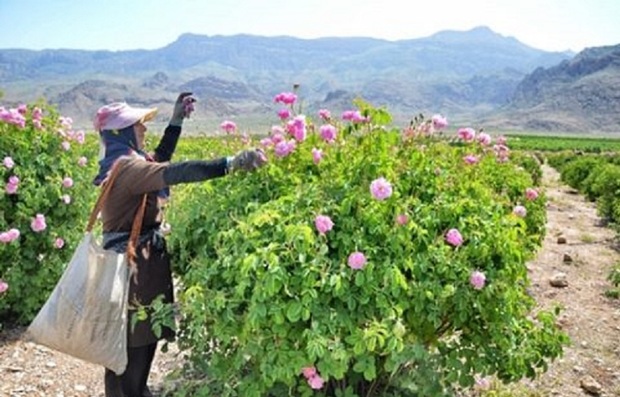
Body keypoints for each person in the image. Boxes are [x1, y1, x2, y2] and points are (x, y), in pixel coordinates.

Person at [93, 92, 266, 397]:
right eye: (138, 124)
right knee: (135, 354)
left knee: (125, 355)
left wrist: (176, 121)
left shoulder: (126, 163)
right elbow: (176, 171)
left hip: (130, 268)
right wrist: (230, 163)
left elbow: (161, 157)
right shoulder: (130, 170)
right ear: (122, 133)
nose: (144, 129)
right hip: (134, 272)